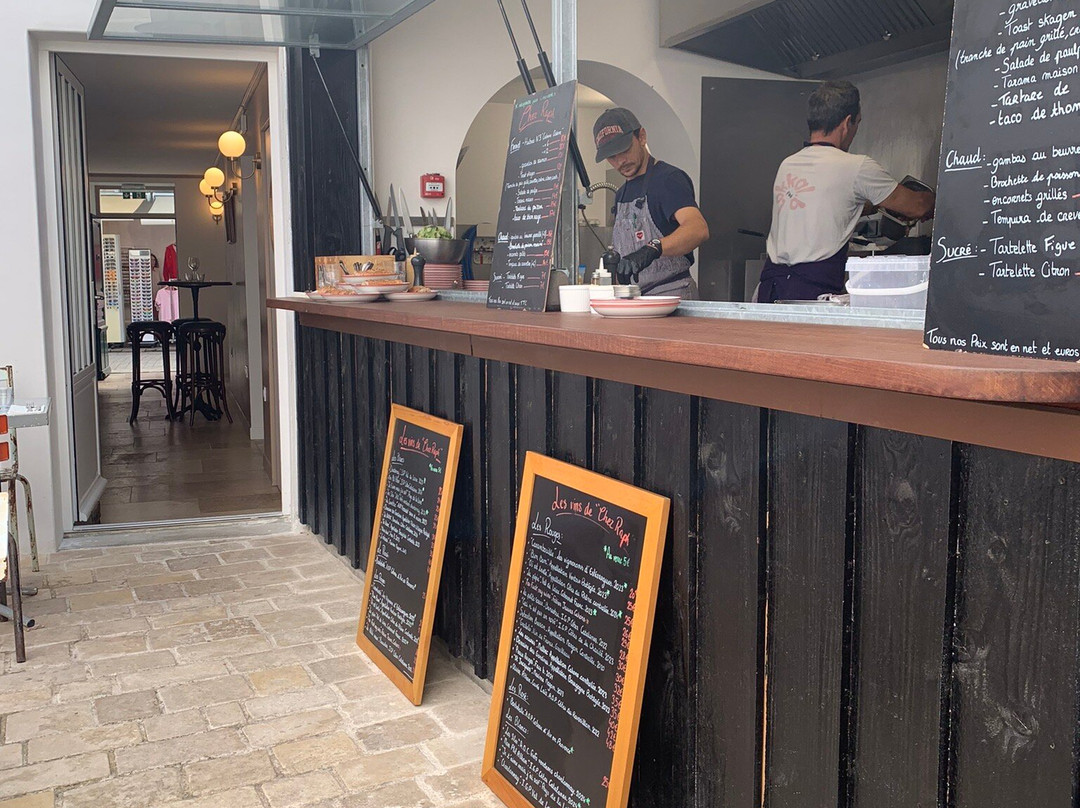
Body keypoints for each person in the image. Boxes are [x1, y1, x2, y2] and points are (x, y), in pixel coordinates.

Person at [758, 80, 935, 303]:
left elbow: (828, 205)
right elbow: (917, 206)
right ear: (847, 123)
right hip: (811, 291)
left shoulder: (788, 165)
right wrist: (938, 197)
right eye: (857, 123)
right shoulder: (856, 167)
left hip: (771, 288)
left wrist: (877, 205)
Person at [593, 108, 709, 298]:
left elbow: (698, 229)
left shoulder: (668, 179)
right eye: (612, 157)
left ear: (642, 137)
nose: (620, 161)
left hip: (672, 294)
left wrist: (653, 248)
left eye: (624, 150)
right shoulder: (621, 194)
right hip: (635, 298)